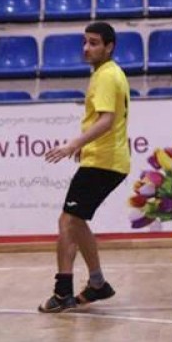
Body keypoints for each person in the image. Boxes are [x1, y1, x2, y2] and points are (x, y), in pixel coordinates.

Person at [38, 22, 130, 313]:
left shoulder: (106, 76)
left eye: (94, 43)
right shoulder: (108, 73)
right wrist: (84, 146)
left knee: (68, 221)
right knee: (75, 222)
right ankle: (97, 283)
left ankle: (63, 292)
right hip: (106, 160)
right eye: (85, 42)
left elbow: (107, 120)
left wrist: (73, 144)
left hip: (104, 161)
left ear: (109, 47)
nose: (86, 48)